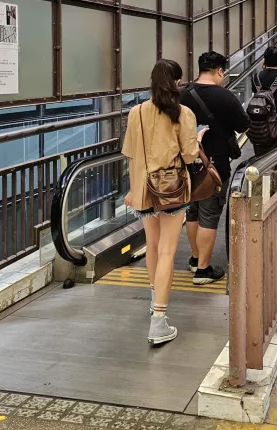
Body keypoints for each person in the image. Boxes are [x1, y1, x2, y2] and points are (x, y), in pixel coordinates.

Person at [122, 60, 202, 345]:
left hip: (143, 188)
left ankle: (156, 298)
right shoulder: (183, 113)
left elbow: (130, 153)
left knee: (152, 246)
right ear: (176, 82)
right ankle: (159, 321)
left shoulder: (136, 112)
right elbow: (190, 155)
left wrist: (133, 189)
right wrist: (199, 137)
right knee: (168, 250)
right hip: (171, 189)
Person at [180, 52, 250, 286]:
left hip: (186, 164)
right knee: (209, 214)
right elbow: (243, 125)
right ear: (219, 71)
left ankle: (195, 258)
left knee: (192, 211)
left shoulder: (182, 95)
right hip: (215, 166)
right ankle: (203, 270)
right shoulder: (226, 97)